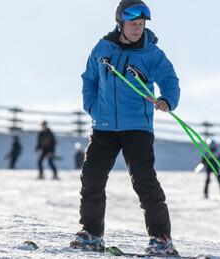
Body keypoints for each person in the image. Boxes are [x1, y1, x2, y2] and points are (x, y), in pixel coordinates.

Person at [71, 0, 180, 255]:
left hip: (137, 128)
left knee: (144, 181)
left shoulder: (151, 53)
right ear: (121, 22)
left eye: (141, 24)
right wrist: (92, 107)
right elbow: (89, 78)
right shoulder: (103, 48)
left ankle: (161, 238)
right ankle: (91, 233)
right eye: (133, 24)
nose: (138, 29)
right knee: (92, 179)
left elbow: (169, 80)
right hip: (104, 127)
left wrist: (167, 100)